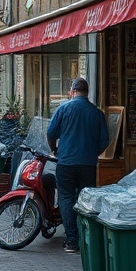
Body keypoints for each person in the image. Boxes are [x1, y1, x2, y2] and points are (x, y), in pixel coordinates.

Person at [46, 77, 108, 254]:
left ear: (72, 91)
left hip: (66, 161)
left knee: (66, 197)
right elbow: (105, 141)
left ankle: (72, 240)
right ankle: (86, 239)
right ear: (87, 92)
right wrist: (92, 152)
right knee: (85, 199)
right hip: (87, 163)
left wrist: (55, 150)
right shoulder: (97, 113)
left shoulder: (64, 108)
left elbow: (51, 133)